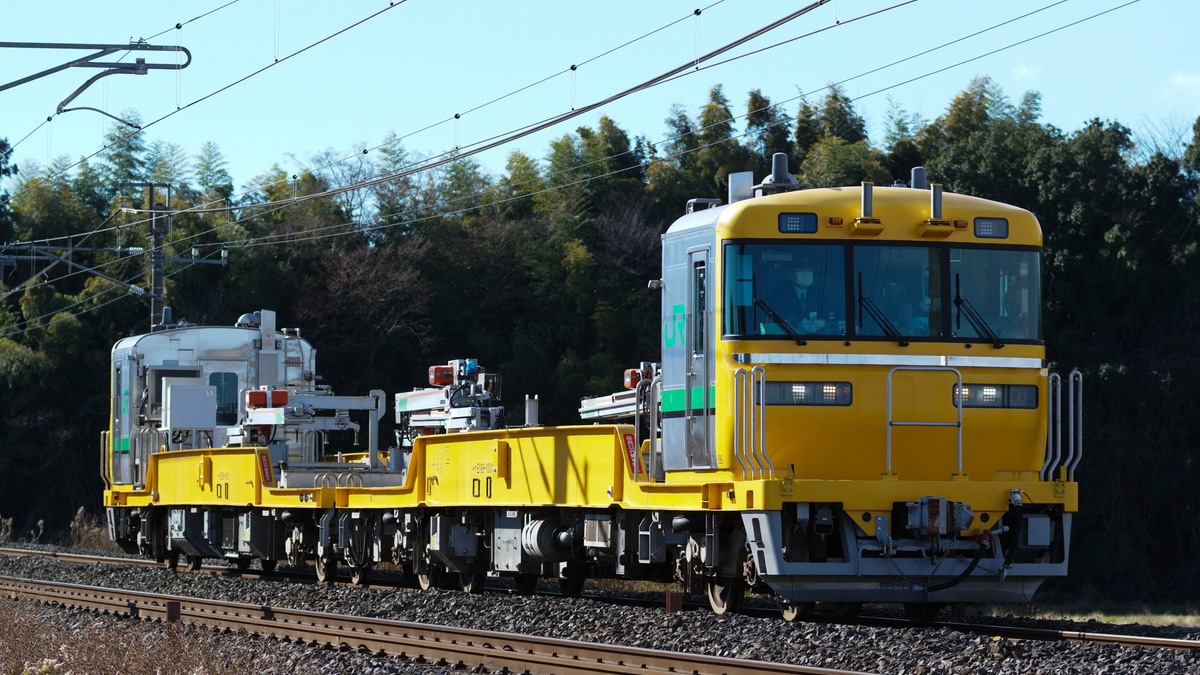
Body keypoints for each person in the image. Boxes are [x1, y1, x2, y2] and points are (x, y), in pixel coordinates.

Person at [767, 264, 826, 333]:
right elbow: (777, 312)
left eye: (809, 270)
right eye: (802, 270)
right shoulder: (781, 292)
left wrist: (824, 321)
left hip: (817, 339)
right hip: (789, 336)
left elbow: (829, 311)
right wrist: (798, 321)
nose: (807, 273)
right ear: (791, 275)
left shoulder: (818, 293)